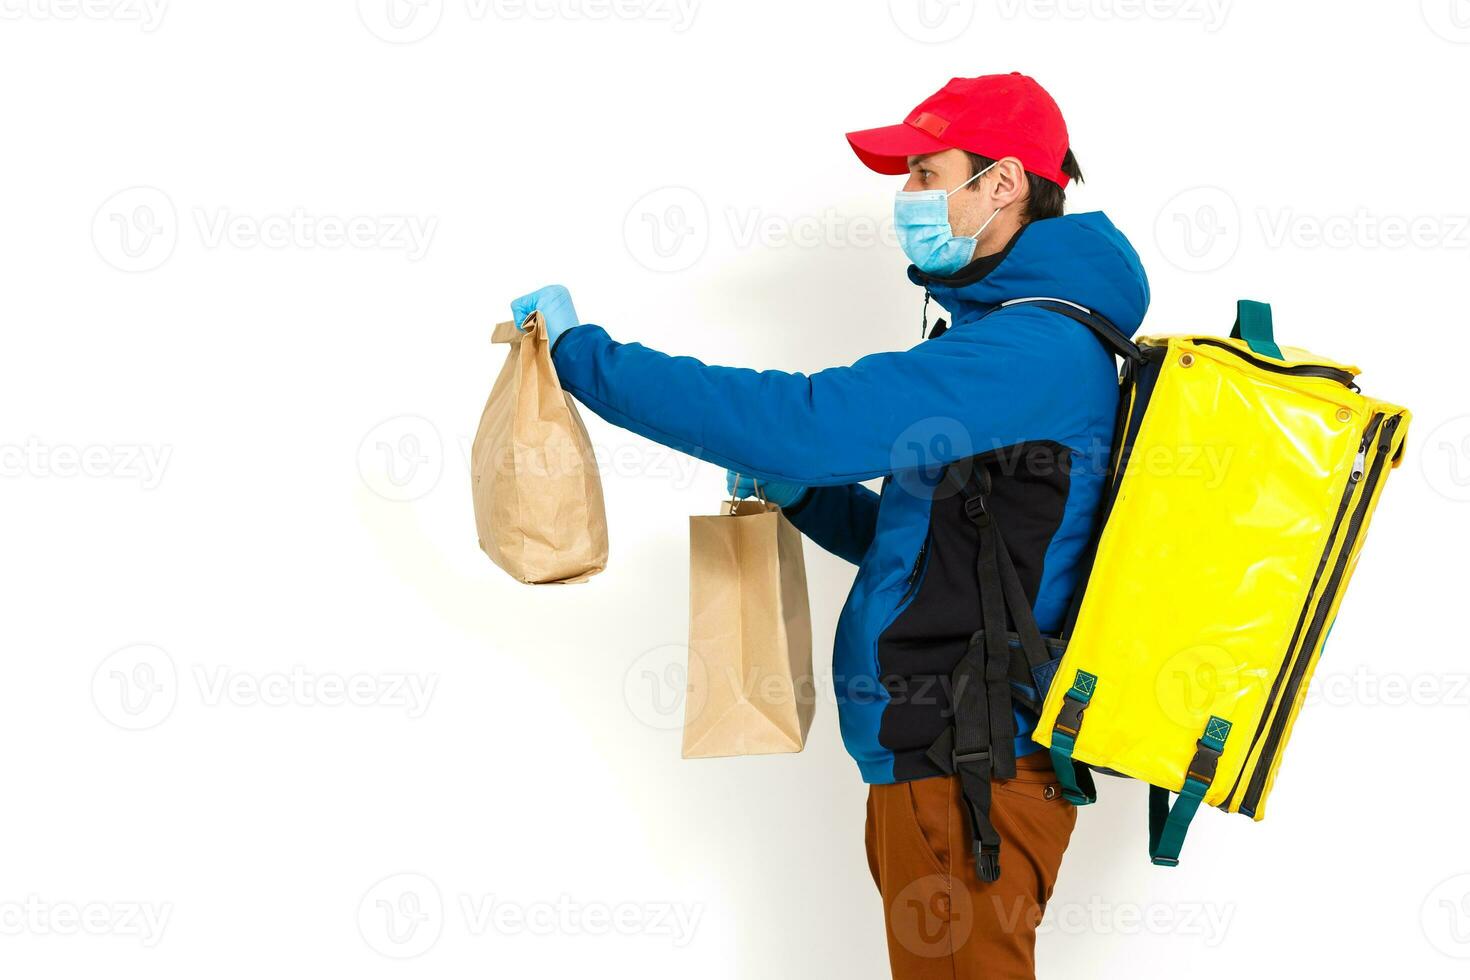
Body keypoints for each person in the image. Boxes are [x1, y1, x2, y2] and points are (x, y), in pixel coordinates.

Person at [511, 72, 1150, 979]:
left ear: (1003, 184)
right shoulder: (1011, 335)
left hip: (969, 773)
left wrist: (584, 360)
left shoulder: (1029, 349)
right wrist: (809, 497)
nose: (908, 199)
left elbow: (807, 422)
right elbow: (930, 544)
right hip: (948, 765)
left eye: (929, 174)